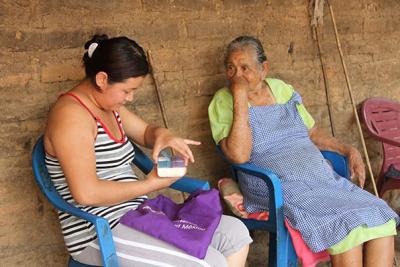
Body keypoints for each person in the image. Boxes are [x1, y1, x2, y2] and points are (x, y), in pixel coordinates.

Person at [44, 34, 252, 267]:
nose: (130, 98)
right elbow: (86, 193)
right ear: (102, 79)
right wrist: (150, 184)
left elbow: (146, 132)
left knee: (235, 233)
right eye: (127, 90)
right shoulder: (71, 117)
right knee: (208, 261)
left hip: (136, 214)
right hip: (98, 230)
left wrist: (164, 135)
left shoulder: (108, 106)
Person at [208, 35, 399, 267]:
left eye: (245, 68)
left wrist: (348, 149)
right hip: (276, 184)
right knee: (343, 225)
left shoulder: (282, 89)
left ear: (263, 68)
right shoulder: (222, 101)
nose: (237, 75)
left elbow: (311, 132)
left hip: (317, 177)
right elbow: (239, 156)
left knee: (378, 214)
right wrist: (239, 97)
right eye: (231, 68)